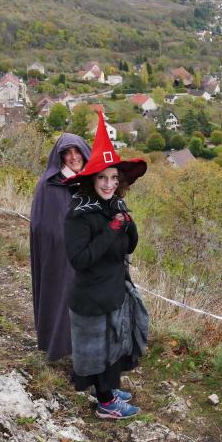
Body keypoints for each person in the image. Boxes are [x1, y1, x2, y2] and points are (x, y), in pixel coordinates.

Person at [63, 111, 149, 419]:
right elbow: (80, 259)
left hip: (113, 290)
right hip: (91, 296)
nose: (109, 184)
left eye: (114, 178)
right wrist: (111, 229)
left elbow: (129, 248)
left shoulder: (114, 204)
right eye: (102, 178)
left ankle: (109, 389)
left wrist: (127, 225)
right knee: (97, 350)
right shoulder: (80, 213)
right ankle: (105, 402)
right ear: (91, 179)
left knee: (113, 345)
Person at [30, 133, 91, 361]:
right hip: (61, 257)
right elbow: (43, 225)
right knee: (63, 299)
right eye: (67, 153)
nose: (73, 157)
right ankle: (62, 348)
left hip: (91, 258)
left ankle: (87, 357)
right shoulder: (49, 185)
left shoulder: (92, 181)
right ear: (60, 157)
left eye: (77, 151)